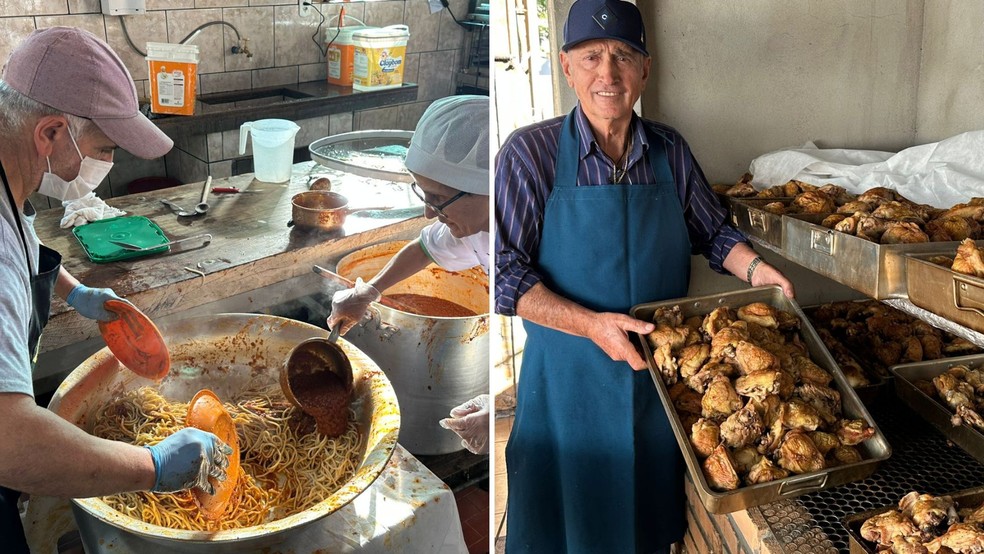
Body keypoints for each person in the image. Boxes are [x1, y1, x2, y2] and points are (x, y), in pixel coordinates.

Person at [494, 1, 795, 552]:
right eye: (591, 57)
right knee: (567, 525)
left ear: (644, 70)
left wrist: (759, 272)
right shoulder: (528, 154)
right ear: (566, 67)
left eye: (623, 56)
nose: (607, 74)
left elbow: (712, 233)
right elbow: (506, 275)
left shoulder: (670, 149)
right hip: (567, 382)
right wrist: (589, 325)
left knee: (645, 527)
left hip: (661, 380)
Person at [0, 27, 230, 552]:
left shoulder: (9, 160)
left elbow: (22, 235)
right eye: (104, 148)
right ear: (52, 132)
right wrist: (150, 467)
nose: (106, 165)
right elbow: (9, 441)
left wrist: (75, 292)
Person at [327, 94, 490, 453]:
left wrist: (509, 408)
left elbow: (565, 338)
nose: (430, 213)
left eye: (438, 199)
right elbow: (424, 248)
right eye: (422, 193)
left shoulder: (539, 238)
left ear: (485, 186)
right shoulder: (476, 222)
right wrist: (368, 291)